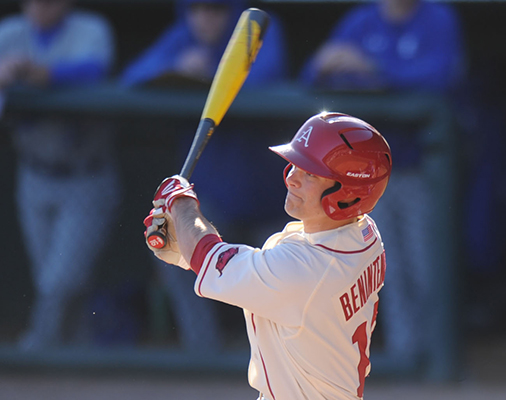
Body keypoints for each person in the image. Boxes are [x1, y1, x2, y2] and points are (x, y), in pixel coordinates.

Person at [144, 112, 392, 399]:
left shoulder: (303, 268)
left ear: (348, 194)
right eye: (296, 165)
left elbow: (216, 259)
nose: (292, 178)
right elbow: (256, 278)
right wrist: (184, 248)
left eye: (310, 174)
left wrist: (181, 203)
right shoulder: (364, 236)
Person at [300, 0, 465, 369]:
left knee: (426, 266)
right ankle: (407, 355)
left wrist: (373, 69)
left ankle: (436, 355)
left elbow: (441, 75)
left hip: (420, 168)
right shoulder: (360, 21)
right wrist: (331, 66)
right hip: (365, 177)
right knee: (386, 268)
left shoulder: (437, 18)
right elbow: (313, 75)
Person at [120, 0, 288, 352]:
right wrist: (174, 67)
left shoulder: (254, 32)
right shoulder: (182, 38)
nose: (204, 18)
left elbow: (265, 75)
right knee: (174, 255)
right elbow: (131, 79)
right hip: (211, 194)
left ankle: (274, 354)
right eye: (197, 10)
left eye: (214, 9)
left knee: (276, 282)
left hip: (268, 193)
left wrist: (204, 76)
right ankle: (203, 351)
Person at [0, 0, 119, 350]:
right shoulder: (9, 33)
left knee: (59, 280)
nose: (40, 7)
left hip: (85, 175)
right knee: (53, 281)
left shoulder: (91, 29)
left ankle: (37, 348)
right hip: (34, 172)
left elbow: (95, 70)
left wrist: (42, 74)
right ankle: (76, 355)